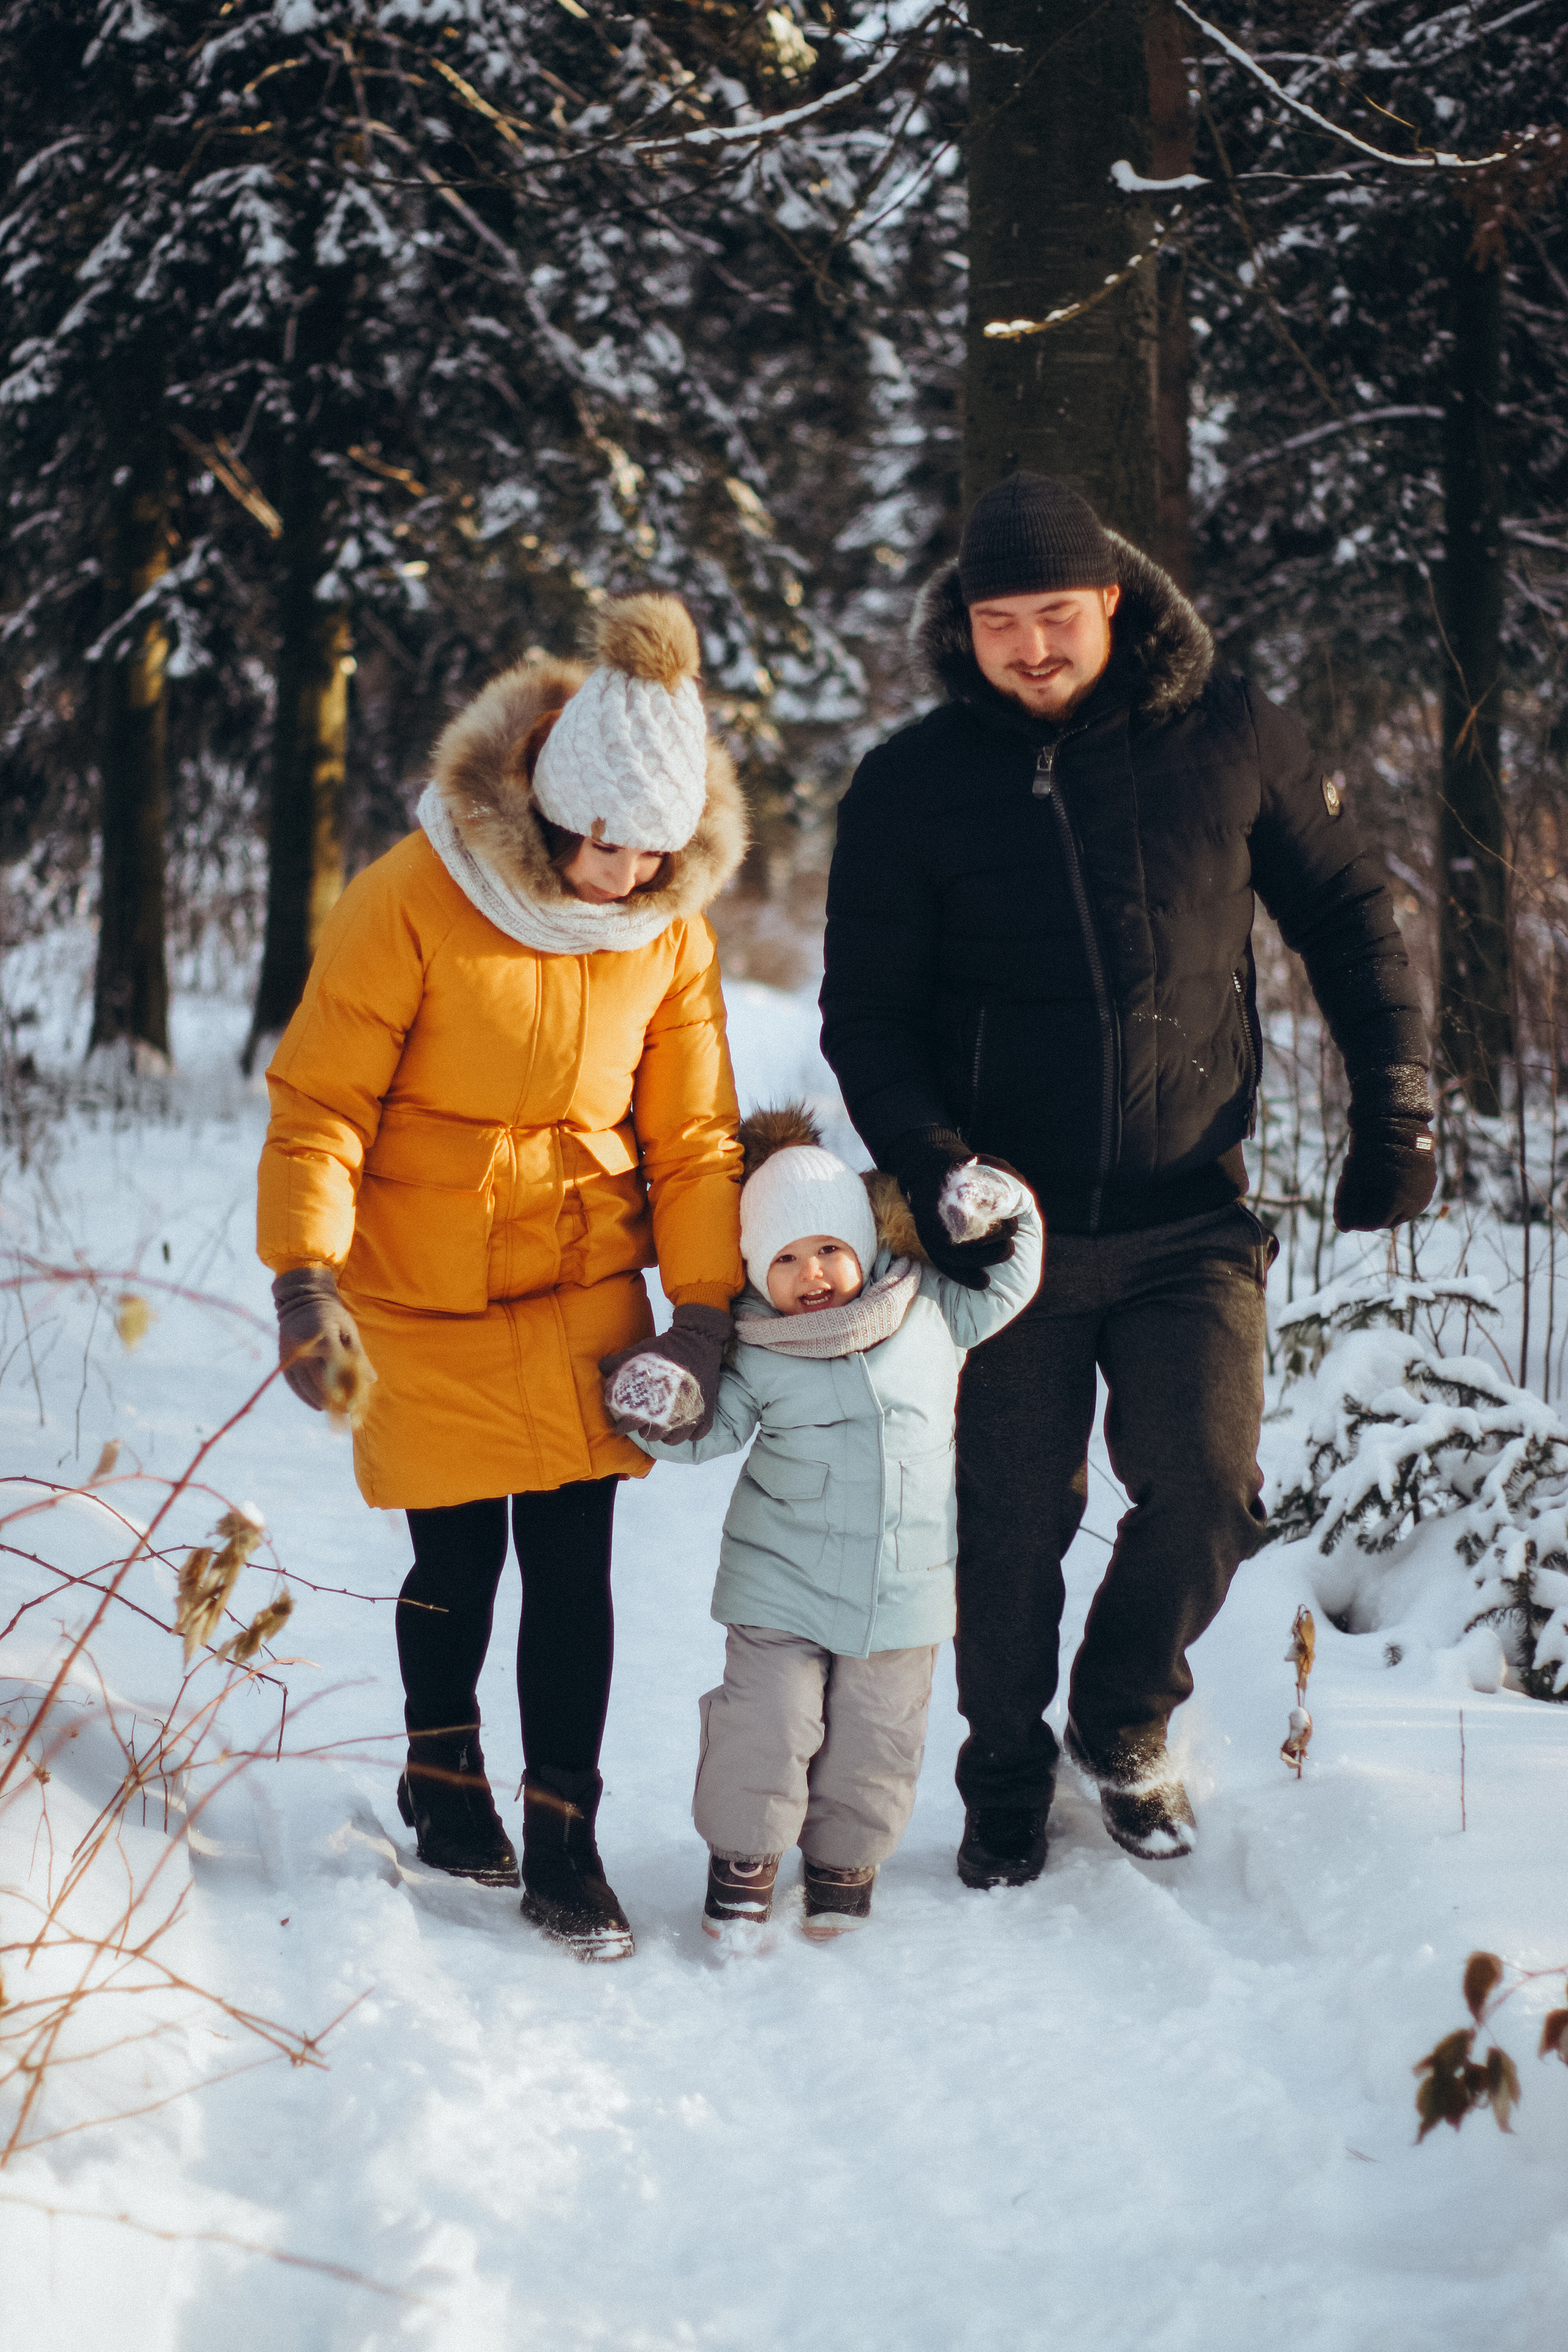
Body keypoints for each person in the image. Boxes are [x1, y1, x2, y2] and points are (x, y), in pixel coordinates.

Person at [820, 472, 1434, 1883]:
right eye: (998, 622)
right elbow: (866, 1017)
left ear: (1108, 599)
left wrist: (1391, 1096)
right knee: (1007, 1525)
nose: (1029, 647)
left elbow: (1345, 911)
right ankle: (1002, 1771)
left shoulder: (1224, 736)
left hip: (1186, 1213)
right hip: (1003, 1236)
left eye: (1053, 615)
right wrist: (933, 1169)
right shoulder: (912, 786)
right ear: (959, 627)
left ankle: (1120, 1719)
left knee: (1210, 1489)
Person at [257, 594, 748, 1961]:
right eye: (604, 843)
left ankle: (567, 1839)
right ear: (545, 807)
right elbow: (320, 1105)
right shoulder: (410, 896)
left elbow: (693, 1136)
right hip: (421, 1282)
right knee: (457, 1557)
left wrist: (702, 1313)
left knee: (575, 1564)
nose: (624, 875)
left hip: (584, 1279)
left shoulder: (670, 930)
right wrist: (305, 1275)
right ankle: (441, 1765)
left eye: (655, 853)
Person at [605, 1105, 1043, 1948]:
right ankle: (744, 1859)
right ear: (755, 1273)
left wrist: (1008, 1205)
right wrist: (659, 1401)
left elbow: (1014, 1279)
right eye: (786, 1259)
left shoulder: (930, 1309)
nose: (813, 1274)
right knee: (765, 1724)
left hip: (902, 1585)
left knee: (879, 1739)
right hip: (781, 1583)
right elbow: (711, 1429)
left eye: (830, 1251)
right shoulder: (758, 1345)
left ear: (864, 1244)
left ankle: (846, 1864)